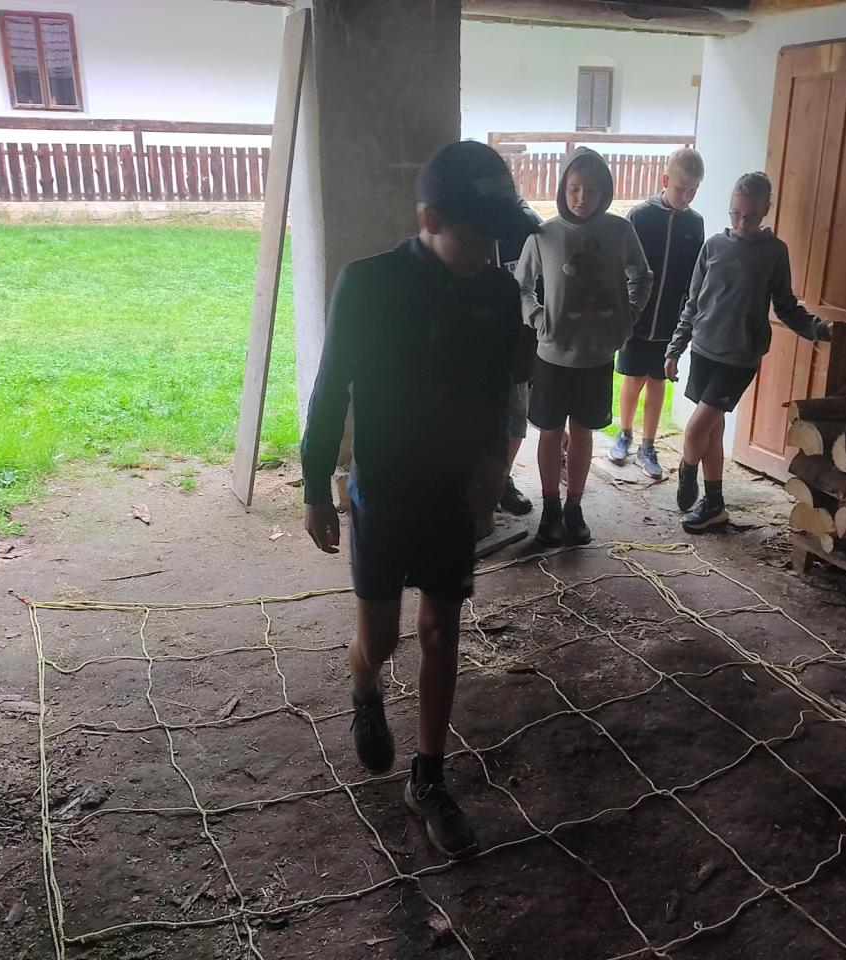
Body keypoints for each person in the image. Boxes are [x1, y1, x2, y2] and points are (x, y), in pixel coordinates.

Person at [300, 140, 535, 858]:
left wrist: (494, 462)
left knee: (441, 630)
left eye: (497, 239)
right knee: (382, 639)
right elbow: (330, 389)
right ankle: (364, 685)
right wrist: (315, 487)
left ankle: (429, 777)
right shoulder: (368, 285)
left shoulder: (496, 292)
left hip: (453, 490)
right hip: (384, 488)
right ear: (429, 218)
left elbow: (499, 389)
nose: (489, 252)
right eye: (476, 236)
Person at [665, 171, 831, 533]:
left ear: (765, 211)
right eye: (736, 214)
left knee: (695, 431)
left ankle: (687, 471)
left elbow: (786, 306)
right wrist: (675, 348)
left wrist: (818, 329)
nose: (742, 223)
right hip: (704, 349)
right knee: (712, 429)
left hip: (739, 358)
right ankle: (714, 504)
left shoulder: (773, 252)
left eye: (751, 217)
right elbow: (693, 301)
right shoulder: (713, 247)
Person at [515, 147, 652, 545]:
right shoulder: (545, 234)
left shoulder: (620, 231)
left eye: (592, 190)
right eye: (574, 188)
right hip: (552, 354)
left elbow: (642, 275)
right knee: (549, 432)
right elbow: (521, 284)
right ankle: (550, 508)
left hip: (597, 354)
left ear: (605, 192)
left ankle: (574, 507)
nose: (581, 198)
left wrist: (629, 314)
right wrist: (536, 317)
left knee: (583, 432)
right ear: (563, 188)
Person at [610, 147, 706, 480]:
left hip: (670, 320)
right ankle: (624, 433)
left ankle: (648, 445)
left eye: (693, 190)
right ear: (665, 180)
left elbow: (696, 274)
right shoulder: (640, 216)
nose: (686, 196)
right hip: (637, 316)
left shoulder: (695, 223)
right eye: (681, 188)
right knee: (633, 377)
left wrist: (687, 317)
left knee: (658, 380)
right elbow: (621, 265)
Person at [493, 199, 544, 516]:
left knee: (515, 419)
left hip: (520, 345)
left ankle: (502, 481)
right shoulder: (469, 225)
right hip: (476, 348)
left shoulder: (529, 226)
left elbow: (545, 285)